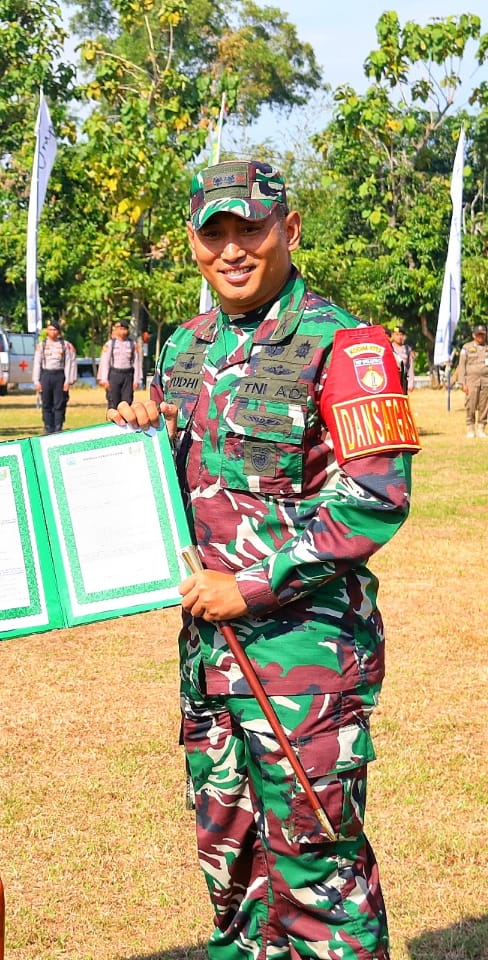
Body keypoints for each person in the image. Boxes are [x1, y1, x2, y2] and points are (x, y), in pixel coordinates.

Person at [112, 159, 419, 960]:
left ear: (289, 229)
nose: (232, 249)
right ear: (193, 243)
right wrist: (138, 436)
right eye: (214, 232)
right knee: (234, 875)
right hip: (209, 663)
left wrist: (249, 587)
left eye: (249, 228)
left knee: (321, 879)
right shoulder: (185, 345)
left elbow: (376, 493)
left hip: (301, 667)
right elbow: (173, 485)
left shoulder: (346, 345)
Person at [33, 320, 77, 434]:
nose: (52, 332)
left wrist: (68, 380)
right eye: (50, 329)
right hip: (46, 375)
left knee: (59, 402)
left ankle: (58, 426)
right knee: (46, 402)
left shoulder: (64, 345)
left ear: (59, 332)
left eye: (55, 330)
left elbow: (68, 363)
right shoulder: (41, 345)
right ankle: (48, 426)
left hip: (59, 375)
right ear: (47, 330)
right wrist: (36, 381)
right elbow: (37, 363)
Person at [97, 318, 143, 409]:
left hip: (128, 375)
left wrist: (137, 380)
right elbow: (105, 362)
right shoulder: (110, 344)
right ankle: (113, 422)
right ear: (116, 330)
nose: (123, 331)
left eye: (125, 329)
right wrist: (104, 379)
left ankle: (126, 422)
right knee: (113, 401)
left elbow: (137, 363)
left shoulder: (132, 344)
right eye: (120, 329)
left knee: (127, 402)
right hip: (114, 374)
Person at [453, 323, 488, 438]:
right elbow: (462, 366)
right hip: (471, 381)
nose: (480, 337)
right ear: (473, 335)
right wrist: (462, 383)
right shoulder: (466, 348)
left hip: (486, 381)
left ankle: (481, 427)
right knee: (470, 405)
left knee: (484, 405)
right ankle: (470, 428)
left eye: (483, 335)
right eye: (478, 335)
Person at [388, 327, 414, 395]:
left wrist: (411, 383)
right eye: (397, 334)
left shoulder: (407, 349)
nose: (399, 337)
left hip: (403, 380)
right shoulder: (389, 348)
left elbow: (410, 367)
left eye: (401, 335)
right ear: (393, 335)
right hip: (392, 380)